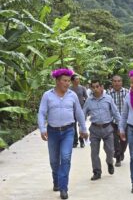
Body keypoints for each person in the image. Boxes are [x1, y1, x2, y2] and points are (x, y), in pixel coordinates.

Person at [38, 68, 88, 200]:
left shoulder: (72, 95)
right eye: (64, 81)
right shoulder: (47, 95)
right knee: (54, 161)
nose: (67, 83)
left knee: (65, 158)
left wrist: (83, 128)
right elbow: (42, 113)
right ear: (57, 81)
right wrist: (42, 129)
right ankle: (56, 180)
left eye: (68, 81)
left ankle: (63, 188)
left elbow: (79, 113)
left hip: (68, 131)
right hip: (52, 132)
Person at [83, 79, 121, 181]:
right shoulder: (88, 101)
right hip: (94, 129)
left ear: (101, 87)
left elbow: (115, 113)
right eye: (93, 87)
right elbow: (83, 115)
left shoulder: (108, 99)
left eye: (97, 86)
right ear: (91, 88)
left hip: (108, 129)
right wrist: (82, 128)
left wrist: (121, 127)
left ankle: (109, 162)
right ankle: (97, 172)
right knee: (94, 152)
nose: (95, 89)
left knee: (110, 151)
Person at [109, 75, 129, 167]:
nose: (117, 83)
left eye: (119, 81)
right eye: (115, 81)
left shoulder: (127, 93)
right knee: (115, 140)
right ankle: (117, 157)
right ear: (112, 82)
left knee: (124, 140)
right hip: (113, 122)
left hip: (125, 121)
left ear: (121, 82)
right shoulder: (108, 94)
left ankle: (121, 152)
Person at [70, 74, 88, 148]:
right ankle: (75, 141)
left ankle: (81, 140)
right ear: (72, 81)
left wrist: (87, 108)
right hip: (72, 110)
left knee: (81, 126)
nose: (78, 80)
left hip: (81, 109)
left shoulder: (82, 88)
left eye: (78, 79)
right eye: (76, 79)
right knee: (73, 126)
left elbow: (86, 97)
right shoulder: (69, 89)